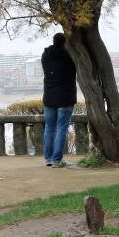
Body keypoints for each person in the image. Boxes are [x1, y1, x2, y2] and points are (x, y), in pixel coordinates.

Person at [42, 32, 77, 168]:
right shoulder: (69, 56)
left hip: (49, 97)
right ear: (65, 43)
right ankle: (57, 160)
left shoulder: (45, 55)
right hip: (66, 97)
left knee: (49, 128)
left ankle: (48, 159)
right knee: (61, 128)